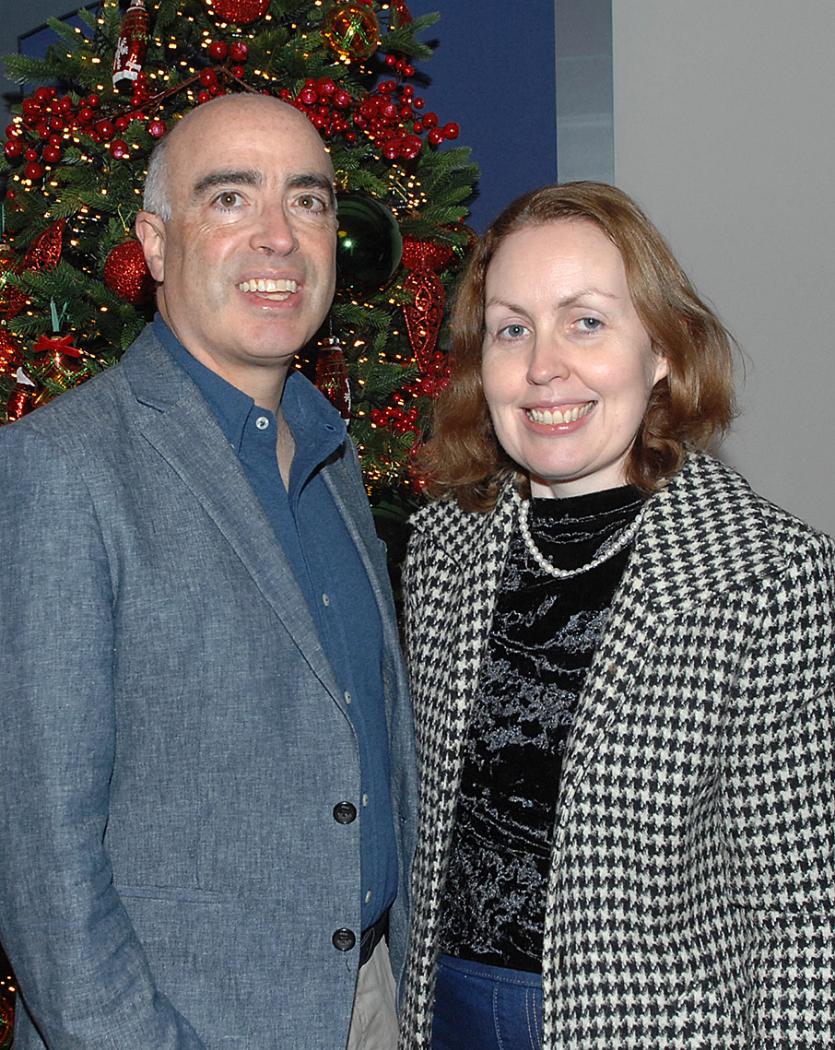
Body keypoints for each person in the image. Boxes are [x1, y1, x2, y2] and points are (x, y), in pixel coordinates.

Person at [0, 94, 416, 1050]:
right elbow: (41, 860)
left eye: (306, 201)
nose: (279, 236)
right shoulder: (61, 468)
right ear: (154, 244)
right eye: (230, 198)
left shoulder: (330, 455)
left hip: (369, 1001)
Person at [397, 182, 834, 1049]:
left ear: (660, 349)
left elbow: (800, 914)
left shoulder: (769, 577)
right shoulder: (442, 545)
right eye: (511, 329)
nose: (542, 366)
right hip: (444, 1015)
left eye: (586, 322)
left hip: (648, 1025)